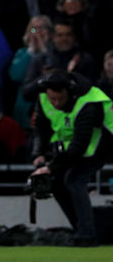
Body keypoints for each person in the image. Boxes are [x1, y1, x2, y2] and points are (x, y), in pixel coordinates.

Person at [30, 70, 113, 246]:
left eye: (60, 99)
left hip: (104, 142)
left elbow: (79, 145)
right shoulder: (43, 98)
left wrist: (50, 167)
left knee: (74, 180)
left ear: (69, 92)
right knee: (58, 183)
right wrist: (38, 154)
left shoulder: (88, 102)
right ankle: (80, 229)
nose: (56, 103)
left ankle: (87, 235)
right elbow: (40, 128)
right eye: (53, 99)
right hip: (81, 144)